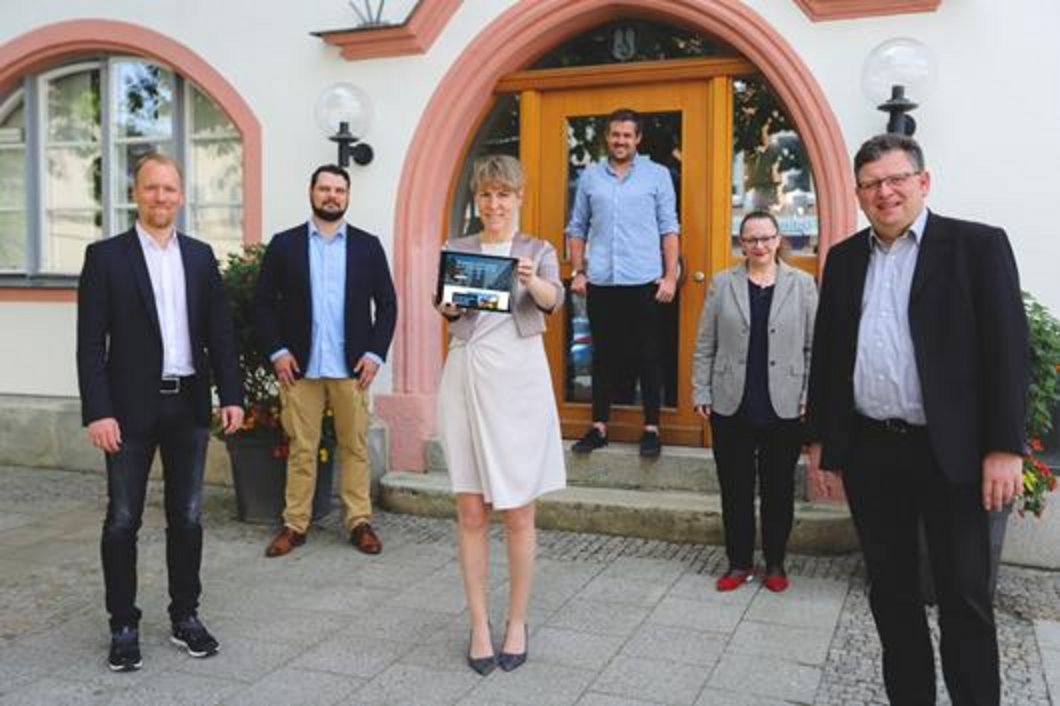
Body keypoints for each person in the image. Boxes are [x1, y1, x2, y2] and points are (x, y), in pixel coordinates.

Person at [807, 134, 1029, 706]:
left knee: (964, 599)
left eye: (895, 179)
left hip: (950, 452)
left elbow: (1008, 351)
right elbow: (830, 357)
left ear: (922, 183)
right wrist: (823, 445)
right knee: (892, 595)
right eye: (871, 184)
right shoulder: (845, 258)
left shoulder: (975, 247)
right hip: (872, 451)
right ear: (857, 195)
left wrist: (1004, 448)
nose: (885, 193)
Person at [76, 153, 244, 672]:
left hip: (188, 403)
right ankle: (123, 623)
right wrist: (97, 411)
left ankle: (185, 617)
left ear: (181, 196)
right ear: (136, 193)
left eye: (170, 189)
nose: (161, 198)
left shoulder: (199, 256)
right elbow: (89, 344)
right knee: (122, 519)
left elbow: (220, 332)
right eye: (152, 189)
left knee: (188, 517)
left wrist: (232, 395)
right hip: (127, 411)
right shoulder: (106, 257)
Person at [436, 155, 566, 675]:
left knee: (518, 510)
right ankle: (478, 624)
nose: (494, 204)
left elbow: (553, 301)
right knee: (470, 510)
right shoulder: (459, 248)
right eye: (486, 195)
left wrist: (533, 282)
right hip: (466, 379)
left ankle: (516, 621)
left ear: (518, 198)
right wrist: (447, 305)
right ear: (478, 199)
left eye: (503, 195)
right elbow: (446, 308)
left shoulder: (539, 249)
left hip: (520, 383)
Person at [255, 164, 397, 558]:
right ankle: (294, 524)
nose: (332, 195)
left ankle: (359, 522)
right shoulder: (285, 245)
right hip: (300, 367)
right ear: (311, 192)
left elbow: (387, 304)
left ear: (348, 196)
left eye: (339, 189)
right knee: (302, 448)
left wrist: (374, 353)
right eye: (325, 189)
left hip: (353, 368)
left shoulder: (368, 246)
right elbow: (263, 304)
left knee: (354, 447)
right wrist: (278, 351)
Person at [692, 211, 816, 593]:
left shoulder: (803, 284)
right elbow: (705, 343)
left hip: (785, 404)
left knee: (779, 490)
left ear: (779, 240)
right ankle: (739, 562)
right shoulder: (722, 283)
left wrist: (809, 394)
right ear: (741, 243)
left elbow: (815, 347)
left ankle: (775, 563)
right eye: (751, 239)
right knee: (736, 488)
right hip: (732, 404)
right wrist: (701, 389)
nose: (759, 246)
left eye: (766, 238)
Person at [566, 107, 680, 458]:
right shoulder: (590, 178)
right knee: (604, 357)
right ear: (607, 136)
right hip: (601, 279)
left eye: (627, 135)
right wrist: (579, 271)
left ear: (638, 138)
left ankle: (651, 428)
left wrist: (671, 275)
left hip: (644, 279)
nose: (620, 141)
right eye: (615, 134)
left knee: (649, 355)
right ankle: (599, 427)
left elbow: (669, 228)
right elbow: (577, 227)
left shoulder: (658, 175)